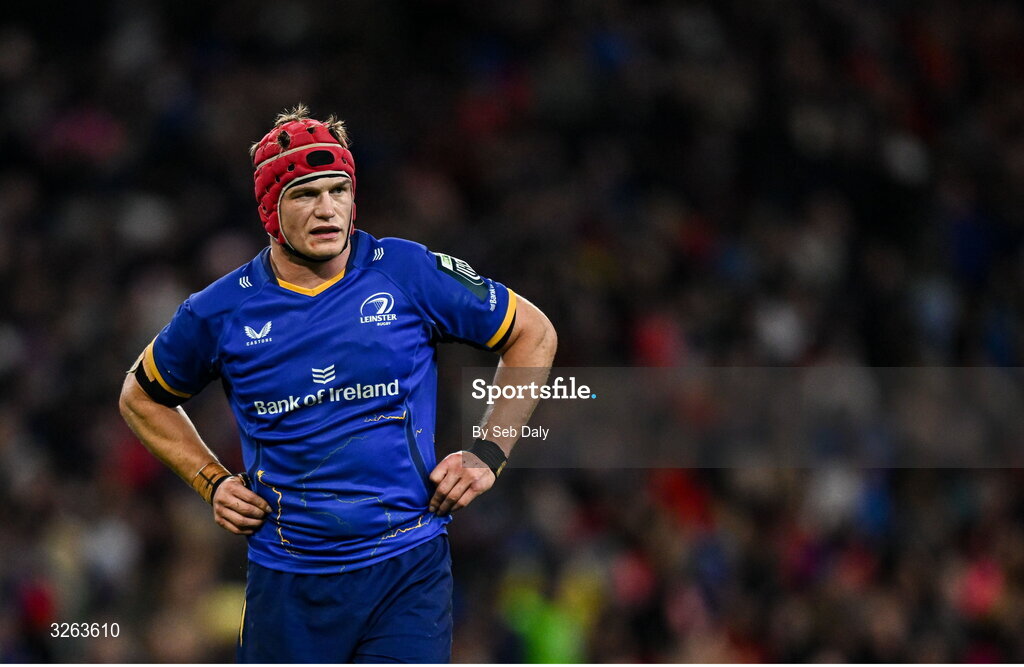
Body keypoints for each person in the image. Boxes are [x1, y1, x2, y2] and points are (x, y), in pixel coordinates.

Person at [118, 104, 557, 663]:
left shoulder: (406, 272)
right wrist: (211, 481)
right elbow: (141, 397)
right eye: (305, 193)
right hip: (290, 584)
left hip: (408, 569)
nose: (328, 209)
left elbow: (533, 334)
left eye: (339, 189)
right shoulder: (219, 312)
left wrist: (488, 451)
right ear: (270, 210)